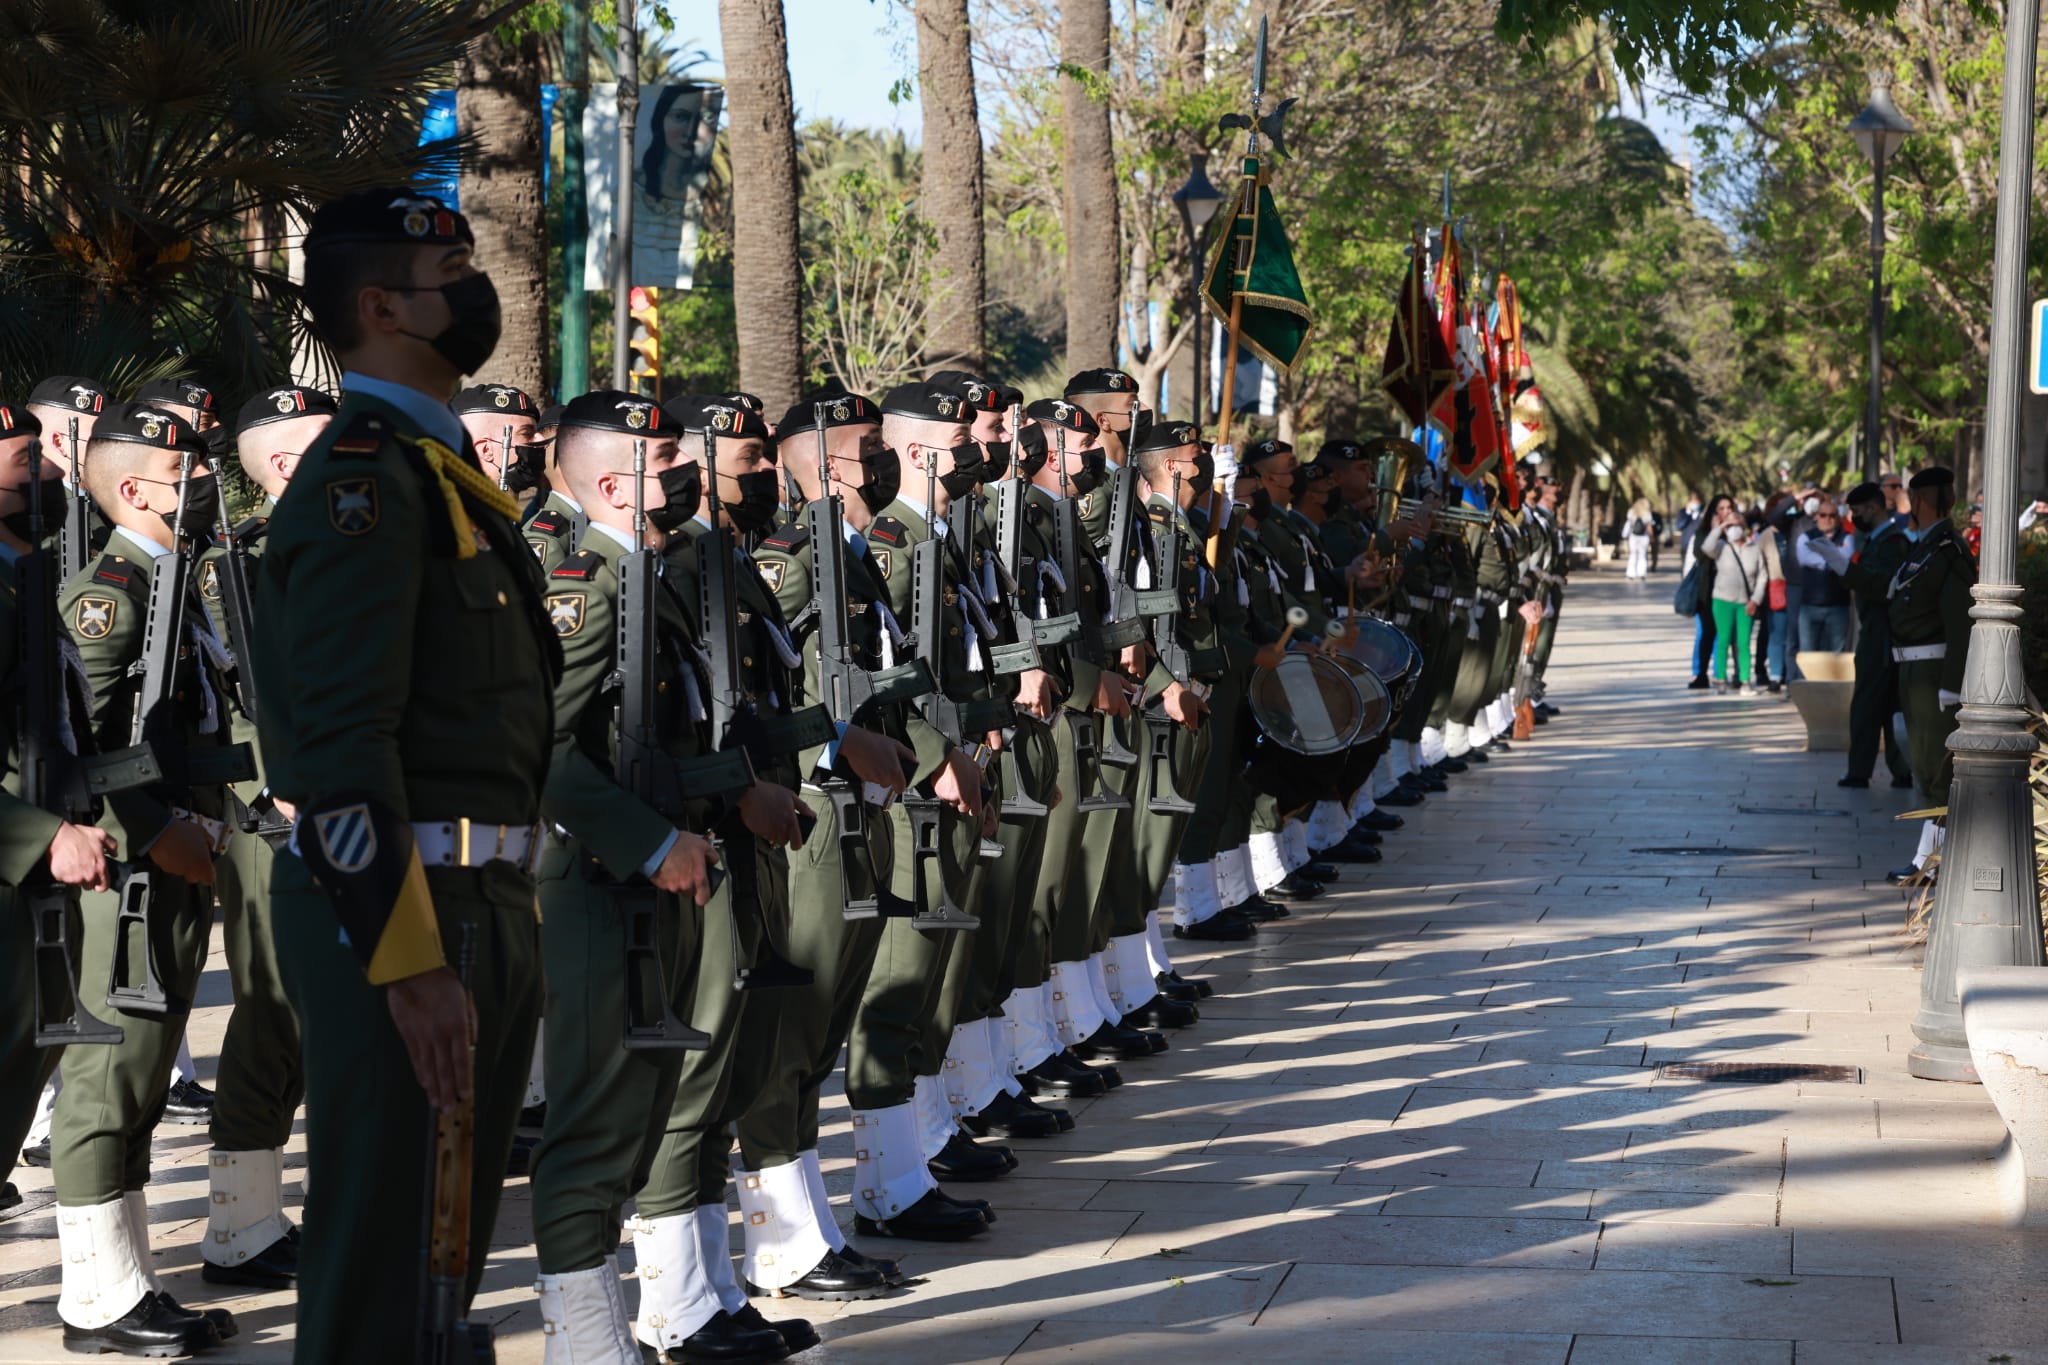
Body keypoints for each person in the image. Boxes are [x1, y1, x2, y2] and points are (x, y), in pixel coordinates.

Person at [247, 187, 559, 1364]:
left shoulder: (438, 470)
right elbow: (337, 752)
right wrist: (410, 959)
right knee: (386, 1273)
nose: (475, 294)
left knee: (442, 1274)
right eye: (453, 275)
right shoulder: (364, 486)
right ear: (380, 306)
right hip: (413, 913)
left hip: (482, 896)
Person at [50, 401, 241, 1358]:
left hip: (178, 853)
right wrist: (159, 831)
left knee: (146, 1071)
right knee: (108, 1072)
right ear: (133, 490)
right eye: (186, 474)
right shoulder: (112, 594)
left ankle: (130, 1279)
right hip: (128, 868)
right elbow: (82, 747)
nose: (204, 487)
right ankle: (93, 1294)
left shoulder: (176, 582)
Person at [195, 385, 339, 1295]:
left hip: (354, 813)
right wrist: (273, 787)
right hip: (276, 821)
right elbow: (217, 701)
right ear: (285, 466)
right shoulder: (237, 567)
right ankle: (239, 1223)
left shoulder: (345, 552)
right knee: (272, 1017)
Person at [1884, 466, 1975, 883]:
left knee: (1936, 768)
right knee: (1923, 763)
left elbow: (1959, 624)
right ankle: (1927, 859)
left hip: (1934, 671)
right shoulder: (1925, 548)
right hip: (1913, 668)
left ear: (1920, 501)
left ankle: (1930, 862)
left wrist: (1952, 684)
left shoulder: (1948, 551)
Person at [1694, 501, 1766, 695]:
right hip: (1722, 600)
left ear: (1744, 528)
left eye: (1737, 526)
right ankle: (1721, 680)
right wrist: (1720, 528)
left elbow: (1762, 577)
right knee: (1723, 639)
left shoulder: (1754, 549)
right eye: (1730, 526)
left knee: (1743, 643)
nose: (1734, 530)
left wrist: (1756, 600)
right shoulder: (1721, 547)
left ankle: (1744, 681)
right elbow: (1706, 548)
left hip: (1745, 603)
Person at [1683, 493, 1736, 689]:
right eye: (1721, 509)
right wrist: (1716, 530)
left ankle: (1724, 673)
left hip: (1731, 590)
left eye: (1729, 508)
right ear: (1714, 512)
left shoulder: (1737, 531)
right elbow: (1701, 553)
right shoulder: (1704, 532)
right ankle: (1700, 674)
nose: (1726, 512)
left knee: (1728, 634)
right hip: (1708, 590)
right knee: (1707, 632)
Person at [1792, 498, 1853, 654]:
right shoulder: (1805, 537)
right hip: (1810, 606)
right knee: (1808, 654)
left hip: (1838, 606)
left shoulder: (1847, 537)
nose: (1828, 519)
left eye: (1832, 515)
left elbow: (1845, 559)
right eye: (1823, 515)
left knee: (1836, 655)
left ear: (1838, 517)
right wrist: (1833, 557)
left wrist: (1821, 557)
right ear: (1816, 517)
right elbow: (1804, 558)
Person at [1623, 498, 1652, 579]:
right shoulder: (1647, 514)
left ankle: (1630, 573)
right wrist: (1652, 536)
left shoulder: (1631, 512)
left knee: (1632, 554)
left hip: (1633, 536)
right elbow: (1648, 526)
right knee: (1642, 555)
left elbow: (1629, 524)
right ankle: (1642, 573)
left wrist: (1626, 535)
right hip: (1644, 537)